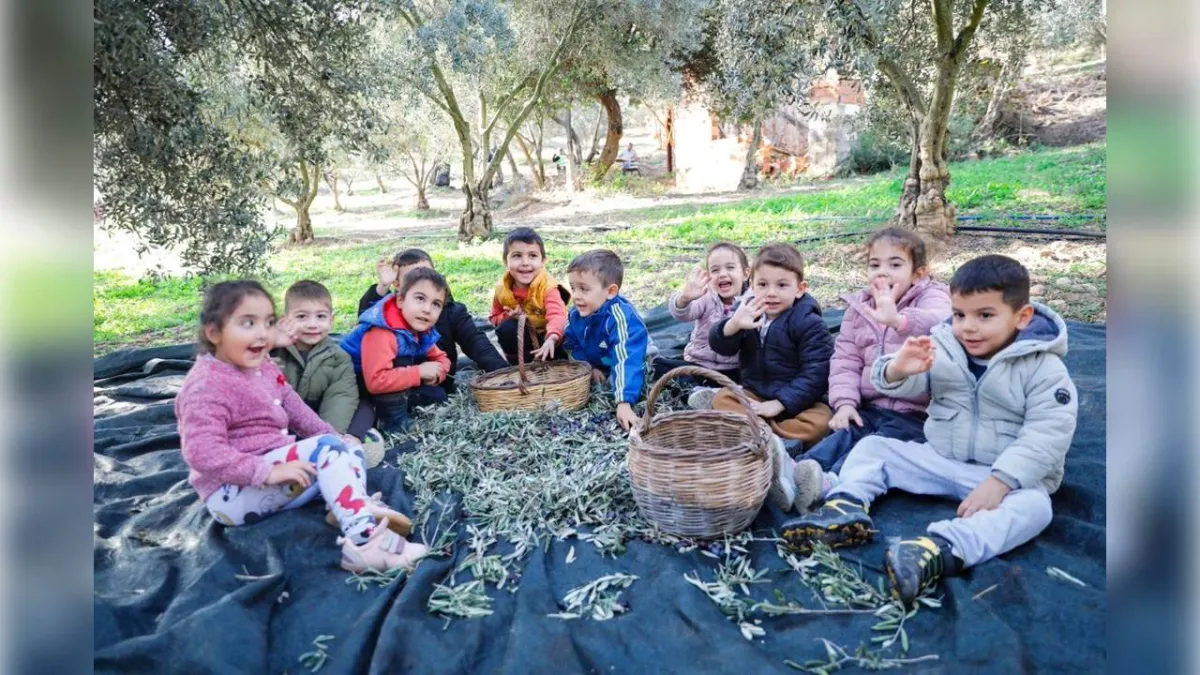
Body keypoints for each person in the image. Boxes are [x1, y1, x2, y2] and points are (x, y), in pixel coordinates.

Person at [781, 255, 1078, 604]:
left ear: (1022, 317)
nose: (968, 327)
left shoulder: (1044, 369)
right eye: (959, 314)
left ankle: (941, 548)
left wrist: (1001, 482)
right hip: (941, 457)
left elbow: (1048, 434)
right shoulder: (945, 345)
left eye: (985, 316)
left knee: (1037, 507)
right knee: (876, 448)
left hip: (999, 478)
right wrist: (898, 371)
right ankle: (845, 505)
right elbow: (910, 387)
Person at [176, 280, 425, 574]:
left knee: (345, 446)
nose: (261, 333)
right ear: (214, 333)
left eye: (268, 323)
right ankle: (364, 543)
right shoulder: (206, 385)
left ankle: (351, 506)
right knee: (329, 450)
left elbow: (298, 412)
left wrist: (338, 439)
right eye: (247, 323)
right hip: (232, 494)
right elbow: (201, 453)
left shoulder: (263, 366)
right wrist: (265, 471)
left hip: (277, 475)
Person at [794, 228, 951, 496]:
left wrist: (900, 321)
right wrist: (844, 404)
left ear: (918, 273)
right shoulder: (860, 308)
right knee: (845, 432)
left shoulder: (932, 296)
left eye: (895, 264)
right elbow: (845, 360)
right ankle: (797, 473)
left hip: (915, 413)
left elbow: (943, 321)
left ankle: (834, 483)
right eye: (874, 264)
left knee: (874, 445)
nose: (883, 272)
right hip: (871, 405)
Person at [708, 243, 835, 512]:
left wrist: (781, 403)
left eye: (782, 285)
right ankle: (772, 444)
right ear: (750, 284)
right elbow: (721, 346)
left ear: (800, 288)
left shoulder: (808, 322)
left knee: (823, 422)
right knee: (723, 398)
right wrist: (732, 326)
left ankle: (769, 445)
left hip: (799, 401)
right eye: (763, 284)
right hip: (756, 392)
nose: (771, 293)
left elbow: (818, 371)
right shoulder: (748, 312)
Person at [271, 280, 386, 467]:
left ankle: (349, 441)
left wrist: (327, 437)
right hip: (277, 414)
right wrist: (271, 341)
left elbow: (340, 397)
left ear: (331, 320)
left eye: (320, 317)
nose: (312, 324)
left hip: (316, 414)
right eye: (301, 317)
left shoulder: (338, 358)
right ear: (285, 320)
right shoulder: (273, 348)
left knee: (364, 403)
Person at [358, 249, 507, 393]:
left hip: (436, 383)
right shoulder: (387, 315)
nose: (424, 281)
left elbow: (476, 342)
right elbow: (367, 320)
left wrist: (503, 374)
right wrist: (383, 286)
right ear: (397, 286)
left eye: (428, 274)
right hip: (393, 386)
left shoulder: (452, 311)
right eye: (414, 277)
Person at [342, 268, 453, 433]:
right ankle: (391, 421)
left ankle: (394, 407)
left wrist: (438, 372)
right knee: (401, 361)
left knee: (437, 396)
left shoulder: (420, 326)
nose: (427, 309)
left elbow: (441, 357)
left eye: (436, 304)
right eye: (420, 299)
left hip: (382, 380)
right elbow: (376, 381)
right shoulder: (383, 329)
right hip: (350, 383)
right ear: (400, 300)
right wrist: (419, 372)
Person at [562, 250, 650, 431]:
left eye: (584, 289)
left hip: (633, 357)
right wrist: (589, 367)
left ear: (610, 291)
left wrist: (623, 402)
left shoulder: (620, 318)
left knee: (654, 369)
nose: (576, 295)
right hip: (601, 360)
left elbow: (626, 357)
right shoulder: (575, 315)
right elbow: (572, 343)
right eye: (573, 288)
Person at [652, 242, 750, 403]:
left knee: (758, 377)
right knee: (658, 366)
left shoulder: (751, 300)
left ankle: (728, 394)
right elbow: (684, 314)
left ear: (745, 273)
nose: (722, 274)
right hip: (700, 365)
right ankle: (698, 393)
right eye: (715, 270)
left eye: (730, 268)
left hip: (736, 368)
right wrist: (685, 298)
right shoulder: (706, 296)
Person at [488, 227, 570, 365]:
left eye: (532, 256)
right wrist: (509, 316)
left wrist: (552, 338)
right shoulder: (502, 289)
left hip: (549, 339)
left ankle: (555, 363)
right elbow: (494, 318)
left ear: (543, 261)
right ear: (505, 261)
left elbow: (558, 315)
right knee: (506, 328)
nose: (525, 262)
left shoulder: (548, 287)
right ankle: (520, 366)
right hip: (523, 342)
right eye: (517, 256)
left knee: (562, 336)